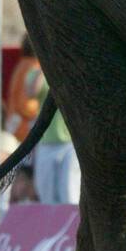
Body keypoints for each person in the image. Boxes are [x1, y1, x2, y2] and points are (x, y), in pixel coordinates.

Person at [31, 73, 81, 205]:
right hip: (46, 143)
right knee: (46, 196)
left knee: (69, 192)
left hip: (72, 142)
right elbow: (32, 92)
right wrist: (44, 67)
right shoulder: (34, 72)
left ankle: (73, 225)